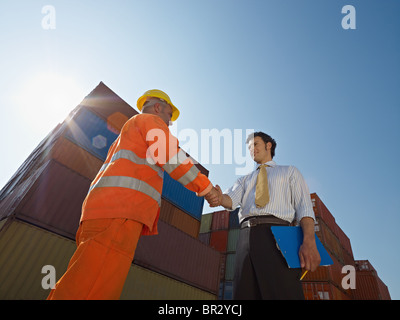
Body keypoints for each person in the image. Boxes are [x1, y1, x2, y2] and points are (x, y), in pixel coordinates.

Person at [47, 89, 219, 300]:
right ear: (158, 107)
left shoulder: (127, 134)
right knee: (94, 289)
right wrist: (207, 189)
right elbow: (171, 157)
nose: (170, 123)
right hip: (120, 214)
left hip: (102, 213)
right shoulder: (150, 121)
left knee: (81, 280)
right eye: (169, 116)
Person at [208, 131, 321, 300]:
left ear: (269, 145)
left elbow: (304, 208)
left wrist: (309, 242)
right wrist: (216, 196)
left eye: (255, 144)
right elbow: (229, 200)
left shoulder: (289, 172)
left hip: (278, 236)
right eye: (249, 147)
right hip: (245, 238)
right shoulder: (244, 180)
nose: (251, 149)